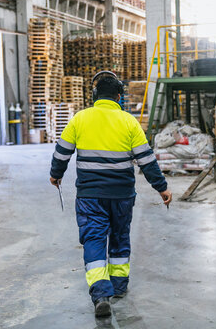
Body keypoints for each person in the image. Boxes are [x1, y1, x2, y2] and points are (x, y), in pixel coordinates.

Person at [49, 71, 172, 317]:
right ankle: (118, 286)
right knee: (119, 236)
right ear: (118, 97)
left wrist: (56, 174)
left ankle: (100, 293)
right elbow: (146, 160)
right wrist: (161, 187)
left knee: (94, 239)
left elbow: (62, 152)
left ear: (95, 95)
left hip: (90, 196)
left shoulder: (80, 119)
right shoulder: (129, 122)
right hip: (122, 196)